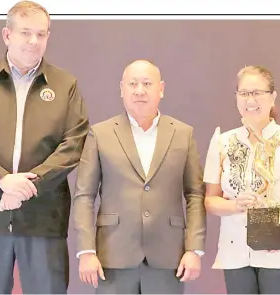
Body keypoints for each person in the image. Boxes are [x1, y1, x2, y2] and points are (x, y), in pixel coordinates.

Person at [0, 1, 89, 293]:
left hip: (44, 218)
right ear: (7, 35)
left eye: (41, 34)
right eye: (26, 33)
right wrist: (1, 179)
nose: (33, 41)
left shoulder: (65, 85)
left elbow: (74, 143)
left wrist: (26, 185)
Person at [72, 60, 206, 294]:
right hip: (113, 256)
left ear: (161, 89)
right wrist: (86, 251)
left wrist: (194, 249)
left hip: (168, 257)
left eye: (147, 83)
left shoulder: (183, 134)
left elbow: (194, 194)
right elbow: (84, 196)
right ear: (121, 89)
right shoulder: (100, 133)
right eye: (133, 84)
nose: (139, 90)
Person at [203, 65, 280, 294]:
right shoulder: (223, 142)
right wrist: (235, 205)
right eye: (244, 93)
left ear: (273, 97)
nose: (251, 99)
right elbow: (210, 201)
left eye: (257, 92)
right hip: (235, 250)